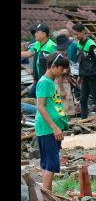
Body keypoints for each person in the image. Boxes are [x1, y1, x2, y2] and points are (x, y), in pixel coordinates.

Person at [35, 53, 70, 192]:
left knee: (47, 163)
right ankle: (46, 197)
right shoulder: (44, 82)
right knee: (52, 163)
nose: (63, 72)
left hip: (51, 128)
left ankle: (46, 196)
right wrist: (54, 127)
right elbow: (40, 106)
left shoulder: (50, 81)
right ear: (53, 66)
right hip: (48, 128)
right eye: (61, 69)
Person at [72, 23, 96, 121]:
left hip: (93, 76)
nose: (76, 36)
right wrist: (80, 75)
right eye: (74, 34)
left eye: (77, 34)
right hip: (84, 76)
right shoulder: (79, 44)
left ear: (83, 32)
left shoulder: (91, 44)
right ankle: (84, 119)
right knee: (83, 99)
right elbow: (80, 61)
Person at [29, 24, 58, 98]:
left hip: (47, 79)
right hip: (38, 78)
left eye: (37, 32)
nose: (35, 34)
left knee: (41, 98)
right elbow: (29, 53)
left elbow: (56, 64)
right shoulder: (37, 44)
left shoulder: (52, 46)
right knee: (33, 95)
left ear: (44, 34)